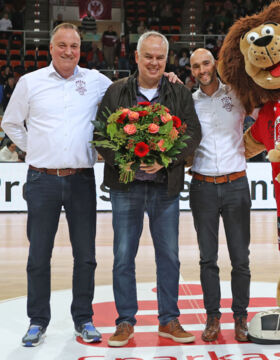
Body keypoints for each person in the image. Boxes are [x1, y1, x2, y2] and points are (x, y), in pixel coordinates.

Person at [1, 23, 113, 347]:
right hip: (41, 180)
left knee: (86, 256)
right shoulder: (29, 83)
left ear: (81, 49)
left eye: (74, 46)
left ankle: (84, 319)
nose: (68, 51)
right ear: (51, 48)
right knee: (38, 256)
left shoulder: (96, 81)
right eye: (62, 45)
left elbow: (126, 97)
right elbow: (10, 122)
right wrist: (33, 147)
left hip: (81, 179)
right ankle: (37, 321)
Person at [93, 31, 201, 347]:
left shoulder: (179, 94)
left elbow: (193, 134)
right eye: (148, 56)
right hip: (126, 187)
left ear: (166, 60)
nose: (154, 62)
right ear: (137, 57)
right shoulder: (116, 92)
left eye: (160, 57)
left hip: (164, 187)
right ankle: (125, 321)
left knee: (169, 255)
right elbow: (100, 135)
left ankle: (169, 319)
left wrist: (166, 160)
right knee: (123, 255)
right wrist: (123, 161)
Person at [189, 48, 251, 343]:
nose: (202, 69)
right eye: (195, 66)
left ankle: (241, 317)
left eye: (206, 63)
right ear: (191, 71)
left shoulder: (237, 93)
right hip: (202, 187)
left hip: (236, 185)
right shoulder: (189, 102)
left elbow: (264, 118)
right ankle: (213, 317)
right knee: (207, 259)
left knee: (240, 258)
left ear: (215, 64)